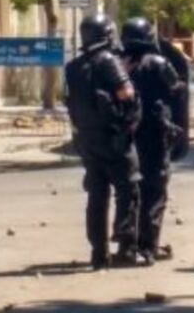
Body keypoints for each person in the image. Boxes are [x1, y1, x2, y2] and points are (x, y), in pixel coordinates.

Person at [64, 14, 141, 270]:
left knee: (97, 195)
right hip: (114, 137)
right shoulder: (108, 60)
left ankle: (99, 253)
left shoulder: (73, 67)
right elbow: (126, 93)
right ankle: (126, 245)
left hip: (87, 139)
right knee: (128, 190)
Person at [120, 17, 183, 266]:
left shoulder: (120, 64)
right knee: (154, 192)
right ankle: (148, 247)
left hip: (128, 135)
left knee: (131, 191)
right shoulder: (157, 63)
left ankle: (128, 244)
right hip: (155, 135)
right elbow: (176, 89)